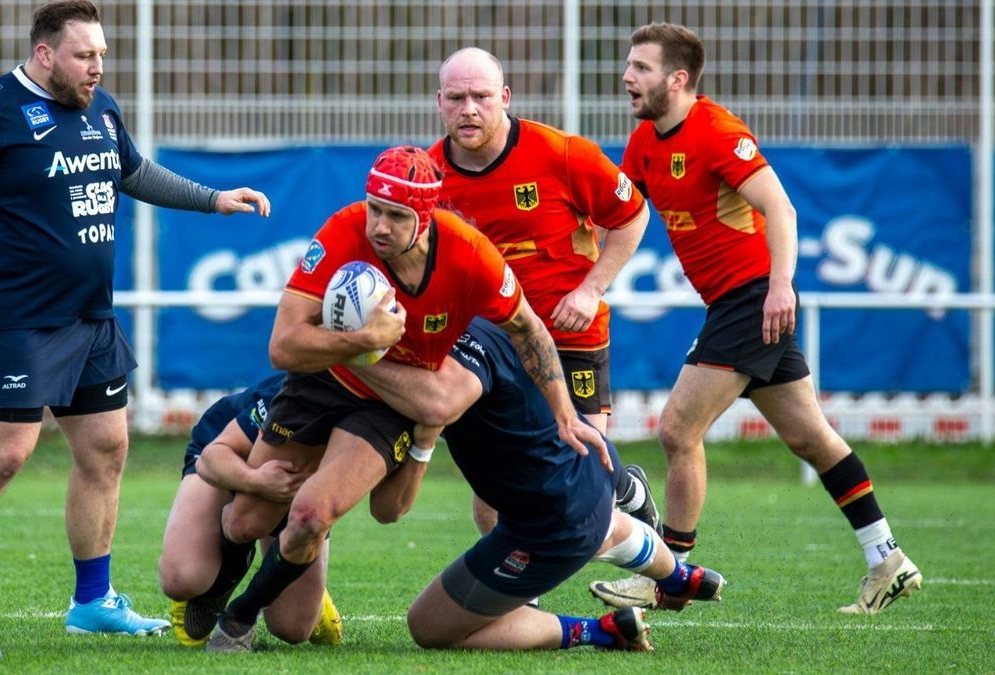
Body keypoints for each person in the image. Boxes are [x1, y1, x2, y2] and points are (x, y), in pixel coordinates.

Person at [0, 0, 271, 636]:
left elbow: (134, 173)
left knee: (107, 448)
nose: (97, 68)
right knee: (3, 456)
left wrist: (214, 200)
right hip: (21, 319)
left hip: (92, 318)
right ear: (45, 54)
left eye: (103, 55)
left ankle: (91, 602)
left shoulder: (100, 111)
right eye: (85, 56)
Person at [204, 145, 607, 652]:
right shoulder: (341, 232)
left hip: (389, 400)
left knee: (308, 519)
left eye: (396, 216)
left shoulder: (470, 252)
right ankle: (228, 580)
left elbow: (530, 330)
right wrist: (363, 341)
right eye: (375, 208)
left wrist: (565, 415)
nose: (379, 226)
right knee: (245, 522)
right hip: (324, 378)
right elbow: (283, 347)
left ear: (427, 216)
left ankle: (237, 619)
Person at [590, 22, 920, 615]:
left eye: (640, 67)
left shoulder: (717, 131)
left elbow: (781, 208)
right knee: (811, 437)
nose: (626, 77)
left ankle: (666, 576)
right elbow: (619, 216)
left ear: (678, 78)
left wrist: (779, 287)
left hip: (750, 299)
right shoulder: (643, 143)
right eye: (629, 65)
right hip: (735, 304)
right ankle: (887, 557)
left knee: (676, 430)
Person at [352, 318, 725, 652]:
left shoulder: (456, 357)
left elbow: (433, 413)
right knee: (597, 524)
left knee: (428, 625)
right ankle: (678, 577)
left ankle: (600, 632)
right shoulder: (485, 318)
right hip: (590, 470)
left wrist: (351, 357)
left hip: (550, 521)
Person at [428, 47, 656, 541]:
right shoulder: (426, 177)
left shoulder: (562, 154)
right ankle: (511, 606)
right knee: (493, 491)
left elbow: (634, 214)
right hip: (490, 346)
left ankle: (627, 491)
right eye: (457, 97)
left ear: (505, 98)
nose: (469, 108)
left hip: (568, 333)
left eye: (482, 97)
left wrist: (590, 289)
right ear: (439, 102)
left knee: (582, 475)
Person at [157, 373, 339, 647]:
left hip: (293, 482)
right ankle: (212, 583)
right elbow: (211, 460)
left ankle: (307, 587)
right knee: (181, 579)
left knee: (292, 628)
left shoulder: (372, 413)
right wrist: (256, 481)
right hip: (227, 456)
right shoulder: (295, 393)